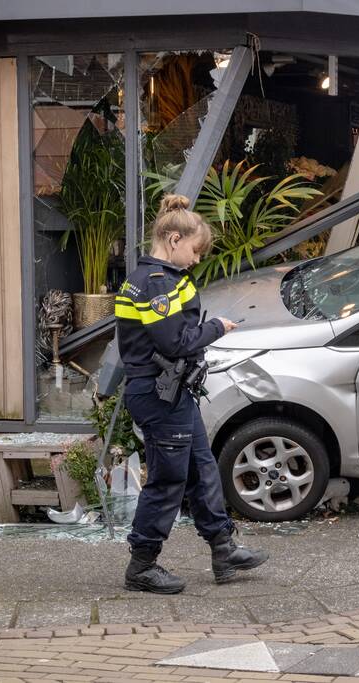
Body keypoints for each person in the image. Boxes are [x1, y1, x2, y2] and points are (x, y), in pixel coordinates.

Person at [115, 194, 268, 594]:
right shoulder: (156, 284)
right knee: (168, 481)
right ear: (174, 239)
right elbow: (174, 342)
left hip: (171, 393)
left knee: (202, 468)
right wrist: (217, 327)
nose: (198, 259)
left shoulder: (149, 278)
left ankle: (223, 548)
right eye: (196, 250)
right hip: (159, 393)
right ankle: (142, 566)